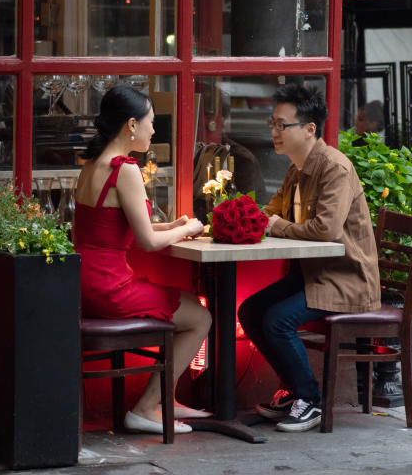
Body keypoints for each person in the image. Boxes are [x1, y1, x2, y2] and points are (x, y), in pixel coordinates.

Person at [237, 83, 380, 433]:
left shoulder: (335, 168)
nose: (274, 131)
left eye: (281, 125)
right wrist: (242, 218)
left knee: (276, 320)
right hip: (314, 273)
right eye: (272, 124)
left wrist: (275, 225)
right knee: (250, 311)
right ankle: (295, 391)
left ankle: (309, 399)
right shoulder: (296, 169)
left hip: (345, 277)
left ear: (310, 129)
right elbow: (269, 213)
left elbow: (326, 230)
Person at [73, 85, 211, 435]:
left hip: (83, 281)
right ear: (131, 125)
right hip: (109, 286)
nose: (154, 130)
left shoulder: (92, 163)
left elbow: (118, 226)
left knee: (190, 303)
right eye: (150, 122)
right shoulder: (126, 168)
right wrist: (189, 227)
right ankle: (147, 407)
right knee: (200, 317)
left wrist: (174, 225)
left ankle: (166, 398)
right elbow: (148, 242)